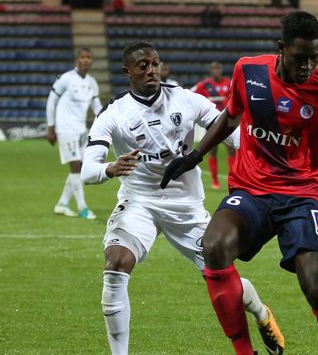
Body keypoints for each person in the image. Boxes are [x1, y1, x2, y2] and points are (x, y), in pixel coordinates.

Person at [161, 11, 318, 355]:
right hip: (251, 192)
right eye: (300, 57)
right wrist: (195, 155)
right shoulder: (248, 71)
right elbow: (230, 117)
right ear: (281, 48)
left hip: (302, 197)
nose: (308, 66)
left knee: (317, 286)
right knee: (214, 246)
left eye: (314, 58)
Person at [81, 41, 284, 355]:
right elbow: (87, 169)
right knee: (116, 265)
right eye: (143, 66)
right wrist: (109, 168)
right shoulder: (114, 113)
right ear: (127, 72)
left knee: (224, 280)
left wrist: (265, 149)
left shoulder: (187, 100)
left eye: (155, 64)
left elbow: (232, 133)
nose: (151, 70)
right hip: (140, 203)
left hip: (187, 207)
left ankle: (261, 313)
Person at [46, 47, 101, 220]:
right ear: (77, 59)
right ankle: (82, 207)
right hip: (65, 127)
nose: (86, 60)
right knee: (76, 166)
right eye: (83, 57)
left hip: (81, 128)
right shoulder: (66, 79)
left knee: (82, 168)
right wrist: (50, 126)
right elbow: (51, 100)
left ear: (91, 60)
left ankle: (62, 204)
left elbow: (97, 107)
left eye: (89, 57)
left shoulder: (92, 82)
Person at [192, 61, 235, 189]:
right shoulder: (204, 85)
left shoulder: (228, 83)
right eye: (214, 69)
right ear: (211, 71)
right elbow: (192, 93)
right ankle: (215, 181)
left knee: (232, 150)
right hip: (212, 122)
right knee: (212, 150)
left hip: (227, 121)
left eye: (219, 69)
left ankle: (233, 178)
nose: (217, 71)